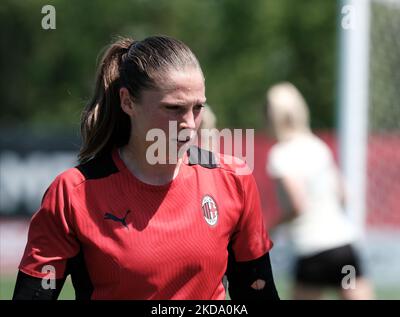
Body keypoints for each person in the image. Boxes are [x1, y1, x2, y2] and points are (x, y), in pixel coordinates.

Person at [12, 35, 279, 300]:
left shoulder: (233, 179)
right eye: (173, 108)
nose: (189, 124)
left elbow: (258, 293)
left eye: (197, 107)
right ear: (127, 102)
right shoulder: (73, 193)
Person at [264, 82, 374, 300]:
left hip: (312, 254)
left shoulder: (281, 154)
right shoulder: (317, 146)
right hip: (343, 250)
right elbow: (343, 193)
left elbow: (297, 204)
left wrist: (270, 228)